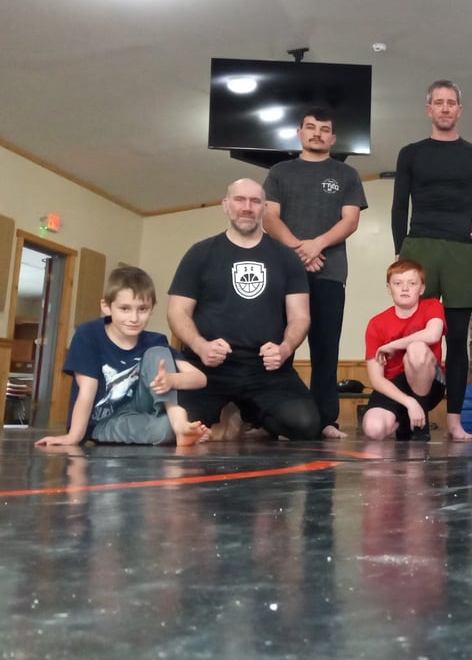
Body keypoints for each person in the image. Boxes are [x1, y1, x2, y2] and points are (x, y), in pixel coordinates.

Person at [391, 79, 472, 441]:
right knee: (417, 339)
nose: (445, 108)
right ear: (428, 109)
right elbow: (399, 206)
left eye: (450, 102)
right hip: (419, 247)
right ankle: (416, 417)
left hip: (461, 251)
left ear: (459, 109)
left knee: (457, 339)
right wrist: (400, 252)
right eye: (438, 102)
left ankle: (455, 421)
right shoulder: (410, 153)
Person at [167, 178, 321, 441]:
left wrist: (285, 349)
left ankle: (246, 414)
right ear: (225, 205)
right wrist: (200, 346)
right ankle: (228, 411)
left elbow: (300, 316)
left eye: (255, 201)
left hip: (267, 370)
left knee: (305, 425)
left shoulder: (287, 258)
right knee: (175, 427)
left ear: (264, 208)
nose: (247, 207)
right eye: (239, 200)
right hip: (208, 368)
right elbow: (177, 311)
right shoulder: (200, 253)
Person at [263, 107, 368, 439]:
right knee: (279, 347)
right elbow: (269, 217)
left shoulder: (346, 174)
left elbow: (350, 220)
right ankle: (272, 420)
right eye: (311, 127)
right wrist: (300, 249)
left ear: (332, 138)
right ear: (300, 133)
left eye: (324, 129)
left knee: (325, 350)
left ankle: (326, 421)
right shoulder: (279, 172)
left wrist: (317, 244)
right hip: (284, 275)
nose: (317, 133)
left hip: (330, 273)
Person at [35, 266, 210, 447]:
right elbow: (86, 391)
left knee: (158, 352)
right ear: (106, 307)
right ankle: (179, 427)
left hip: (141, 410)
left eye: (142, 309)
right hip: (105, 421)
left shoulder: (155, 341)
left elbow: (200, 378)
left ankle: (179, 422)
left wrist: (172, 380)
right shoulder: (89, 334)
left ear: (152, 308)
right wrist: (74, 437)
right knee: (165, 429)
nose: (134, 318)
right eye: (125, 309)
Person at [362, 259, 447, 441]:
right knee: (373, 429)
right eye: (398, 283)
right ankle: (405, 424)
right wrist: (409, 402)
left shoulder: (432, 306)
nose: (405, 288)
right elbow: (376, 379)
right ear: (389, 288)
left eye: (412, 283)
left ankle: (420, 427)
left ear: (421, 289)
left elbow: (433, 334)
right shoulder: (376, 323)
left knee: (416, 348)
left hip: (430, 382)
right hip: (394, 386)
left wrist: (392, 345)